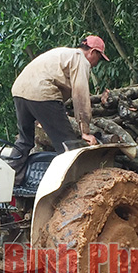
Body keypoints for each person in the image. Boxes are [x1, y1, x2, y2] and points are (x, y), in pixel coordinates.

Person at [7, 36, 109, 184]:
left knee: (24, 140)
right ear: (93, 52)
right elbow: (80, 95)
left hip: (20, 90)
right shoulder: (80, 59)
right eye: (98, 58)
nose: (96, 63)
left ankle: (10, 180)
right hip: (42, 91)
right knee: (68, 145)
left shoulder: (63, 53)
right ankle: (69, 188)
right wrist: (85, 131)